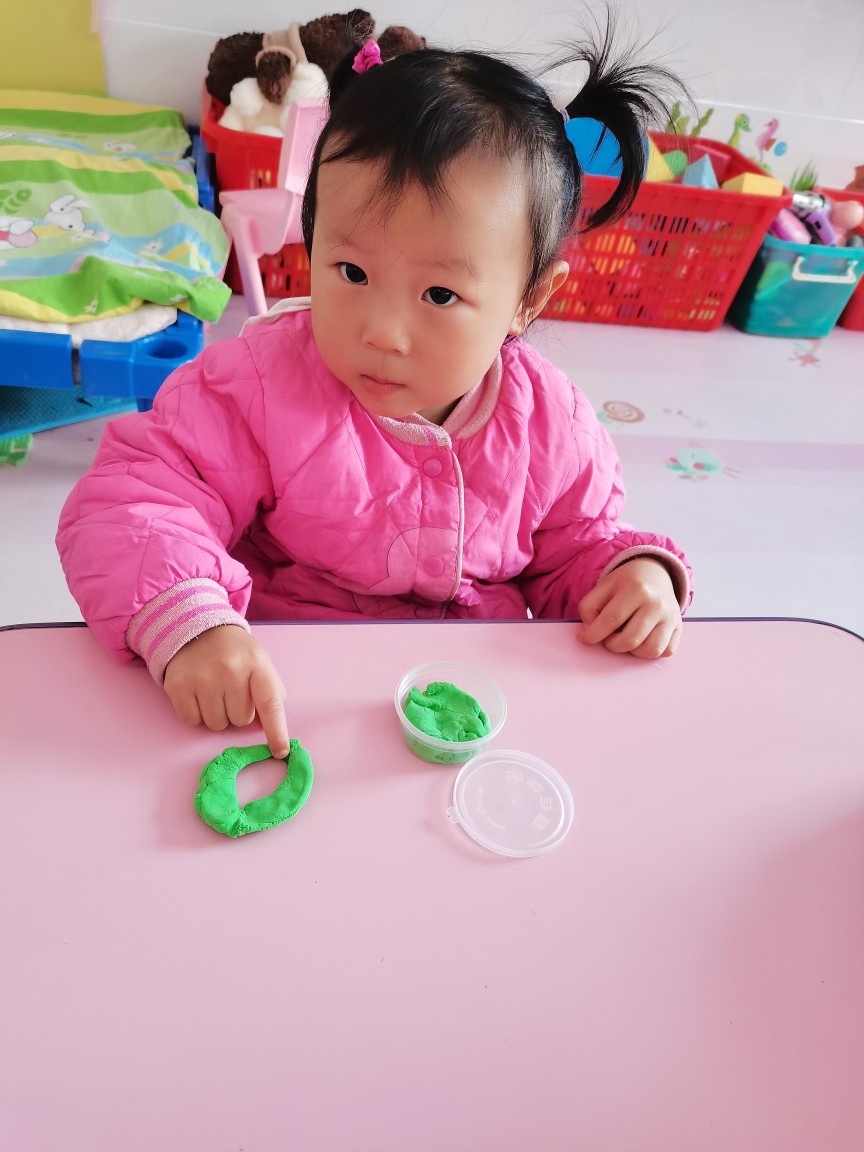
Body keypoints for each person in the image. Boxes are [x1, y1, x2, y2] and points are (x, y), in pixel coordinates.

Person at [57, 27, 692, 761]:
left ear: (528, 299)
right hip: (281, 695)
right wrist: (191, 622)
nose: (382, 332)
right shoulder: (256, 385)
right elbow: (134, 500)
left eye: (440, 294)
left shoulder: (555, 426)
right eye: (352, 273)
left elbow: (576, 549)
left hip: (465, 709)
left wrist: (629, 578)